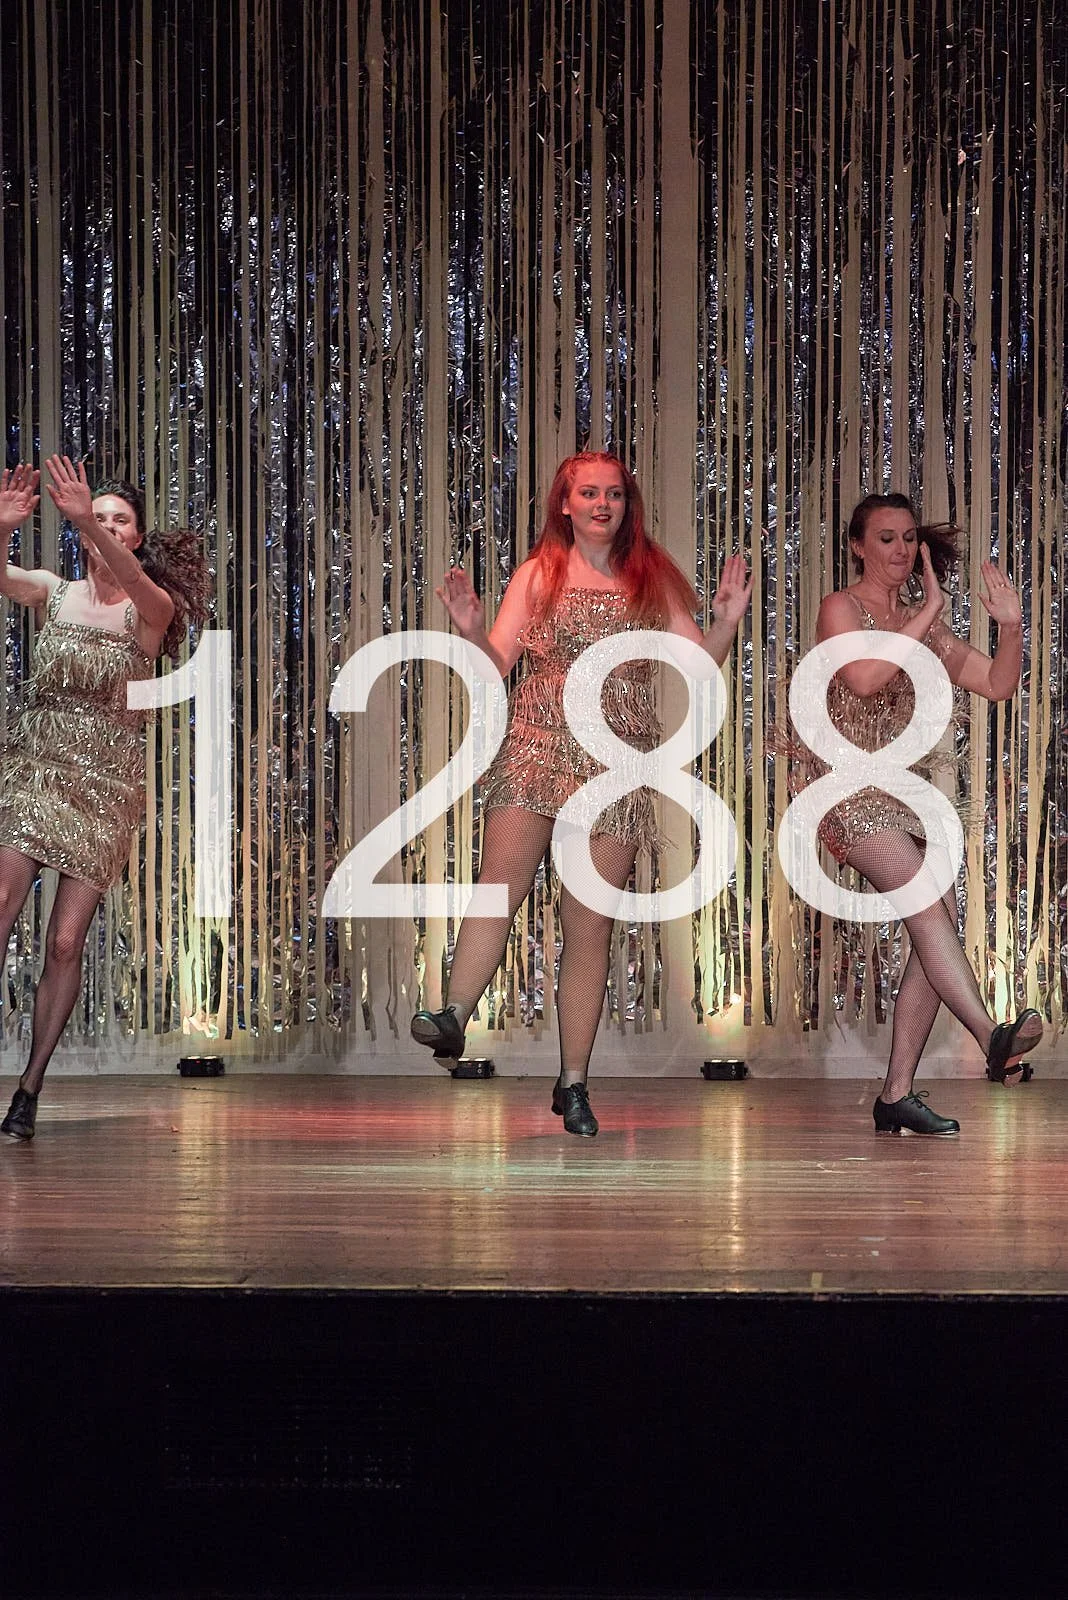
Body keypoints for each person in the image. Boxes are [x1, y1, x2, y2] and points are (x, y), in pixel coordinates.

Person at [410, 450, 752, 1135]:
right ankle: (453, 1014)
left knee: (589, 923)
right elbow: (495, 668)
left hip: (617, 762)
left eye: (614, 494)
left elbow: (698, 667)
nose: (602, 504)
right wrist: (472, 630)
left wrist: (725, 622)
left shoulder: (649, 576)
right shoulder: (538, 573)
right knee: (500, 881)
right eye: (589, 493)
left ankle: (572, 1083)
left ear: (627, 505)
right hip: (537, 743)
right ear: (565, 504)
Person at [811, 492, 1041, 1135]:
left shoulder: (923, 623)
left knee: (933, 918)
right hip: (845, 789)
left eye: (910, 538)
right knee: (926, 902)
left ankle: (895, 1096)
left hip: (902, 795)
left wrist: (1012, 627)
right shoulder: (840, 607)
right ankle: (990, 1036)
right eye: (886, 538)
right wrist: (930, 613)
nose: (903, 549)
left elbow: (997, 683)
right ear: (858, 546)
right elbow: (863, 678)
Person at [0, 455, 211, 1139]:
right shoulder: (55, 591)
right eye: (99, 517)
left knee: (64, 943)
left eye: (121, 520)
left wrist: (87, 520)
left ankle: (29, 1087)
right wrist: (2, 528)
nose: (108, 526)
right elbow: (3, 577)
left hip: (105, 788)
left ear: (137, 537)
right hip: (35, 768)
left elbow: (142, 590)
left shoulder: (151, 608)